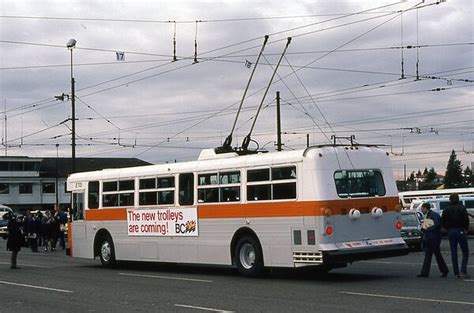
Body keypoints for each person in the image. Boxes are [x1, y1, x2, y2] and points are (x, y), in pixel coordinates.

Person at [442, 193, 470, 279]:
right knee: (465, 252)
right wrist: (465, 229)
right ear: (458, 199)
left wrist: (448, 228)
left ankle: (456, 272)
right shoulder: (462, 208)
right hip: (460, 230)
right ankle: (463, 270)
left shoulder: (446, 209)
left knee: (454, 252)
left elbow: (443, 220)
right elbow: (466, 220)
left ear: (450, 199)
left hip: (451, 231)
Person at [417, 202, 449, 278]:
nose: (421, 210)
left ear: (425, 208)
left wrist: (423, 228)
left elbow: (432, 226)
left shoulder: (431, 215)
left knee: (434, 255)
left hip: (433, 238)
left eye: (422, 208)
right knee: (432, 255)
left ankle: (442, 270)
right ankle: (426, 272)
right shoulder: (432, 215)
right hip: (433, 238)